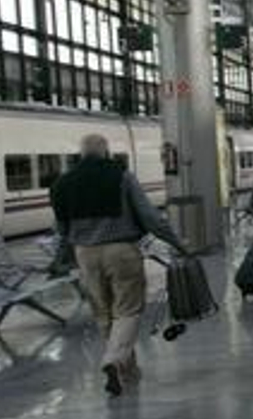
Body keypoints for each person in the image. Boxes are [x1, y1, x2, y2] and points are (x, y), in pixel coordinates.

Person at [51, 133, 187, 397]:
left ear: (80, 154)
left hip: (85, 254)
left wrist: (60, 260)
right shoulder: (122, 176)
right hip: (121, 251)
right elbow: (150, 218)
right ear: (107, 152)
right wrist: (179, 244)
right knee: (128, 310)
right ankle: (114, 360)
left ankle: (128, 371)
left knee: (103, 314)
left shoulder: (62, 184)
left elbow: (61, 229)